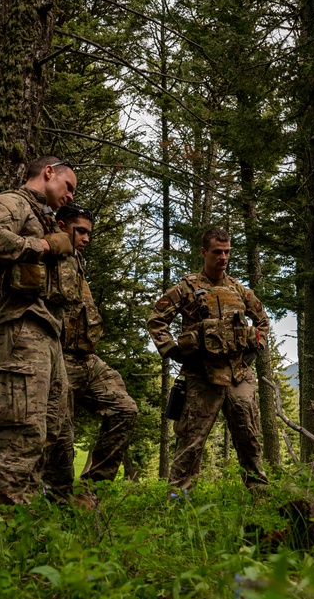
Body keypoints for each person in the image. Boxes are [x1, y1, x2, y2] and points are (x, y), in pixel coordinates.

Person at [0, 155, 79, 510]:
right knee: (20, 433)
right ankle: (6, 532)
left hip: (48, 334)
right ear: (49, 172)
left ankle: (29, 522)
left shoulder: (46, 217)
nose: (70, 196)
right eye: (68, 187)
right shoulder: (10, 202)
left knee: (49, 429)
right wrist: (44, 246)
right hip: (18, 329)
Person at [147, 228, 270, 492]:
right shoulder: (187, 288)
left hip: (239, 375)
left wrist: (254, 349)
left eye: (227, 252)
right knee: (191, 442)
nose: (223, 257)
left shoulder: (239, 290)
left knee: (249, 438)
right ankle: (178, 500)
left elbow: (263, 321)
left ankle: (262, 498)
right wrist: (172, 351)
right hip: (202, 375)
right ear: (204, 252)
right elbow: (156, 320)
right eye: (217, 252)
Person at [51, 204, 137, 484]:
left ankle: (94, 487)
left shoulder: (76, 261)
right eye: (82, 231)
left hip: (87, 360)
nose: (87, 238)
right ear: (62, 227)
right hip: (58, 358)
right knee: (60, 437)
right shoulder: (47, 256)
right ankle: (56, 499)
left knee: (125, 409)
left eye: (90, 233)